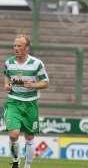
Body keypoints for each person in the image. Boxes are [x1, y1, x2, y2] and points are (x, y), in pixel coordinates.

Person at [3, 34, 49, 168]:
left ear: (27, 48)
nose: (16, 48)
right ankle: (15, 162)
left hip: (30, 104)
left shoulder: (36, 63)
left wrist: (33, 85)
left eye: (19, 46)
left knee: (29, 137)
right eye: (14, 45)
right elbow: (6, 74)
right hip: (13, 102)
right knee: (13, 134)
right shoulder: (9, 63)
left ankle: (27, 166)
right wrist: (6, 85)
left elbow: (46, 83)